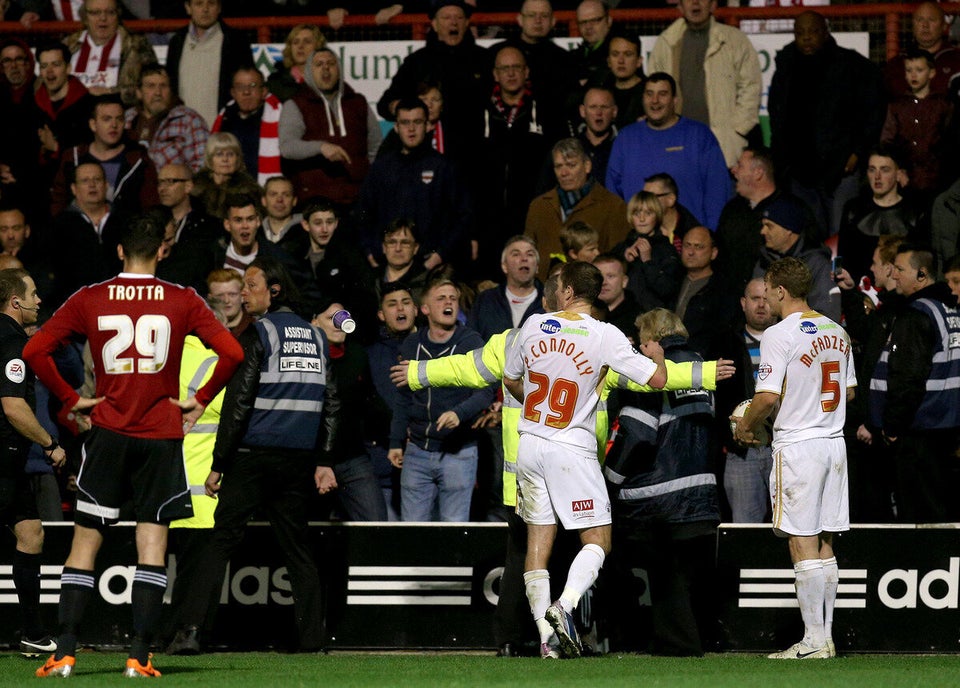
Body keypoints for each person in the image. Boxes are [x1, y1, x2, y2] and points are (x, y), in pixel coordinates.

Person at [26, 212, 243, 678]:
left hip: (107, 431)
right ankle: (139, 656)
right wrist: (199, 401)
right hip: (161, 436)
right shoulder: (182, 299)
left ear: (119, 250)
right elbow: (234, 353)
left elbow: (34, 351)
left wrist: (71, 400)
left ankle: (64, 652)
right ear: (163, 249)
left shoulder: (91, 297)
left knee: (86, 541)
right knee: (152, 541)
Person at [167, 257, 339, 653]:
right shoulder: (316, 338)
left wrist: (219, 464)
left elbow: (238, 405)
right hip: (297, 459)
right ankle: (313, 639)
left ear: (273, 290)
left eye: (251, 285)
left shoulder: (258, 334)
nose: (243, 293)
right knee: (297, 549)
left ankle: (190, 630)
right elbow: (332, 403)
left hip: (252, 456)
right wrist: (324, 458)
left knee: (220, 542)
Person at [502, 260, 667, 659]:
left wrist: (537, 409)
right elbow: (656, 380)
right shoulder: (605, 334)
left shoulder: (533, 325)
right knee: (598, 540)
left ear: (568, 291)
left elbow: (509, 378)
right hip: (571, 448)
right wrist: (657, 355)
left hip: (530, 445)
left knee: (537, 544)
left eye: (559, 285)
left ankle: (547, 641)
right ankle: (565, 606)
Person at [733, 257, 855, 660]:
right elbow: (849, 391)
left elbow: (766, 398)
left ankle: (813, 641)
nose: (766, 299)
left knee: (801, 542)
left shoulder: (779, 334)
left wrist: (745, 425)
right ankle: (827, 638)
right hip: (834, 443)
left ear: (781, 291)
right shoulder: (836, 329)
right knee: (825, 542)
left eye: (768, 291)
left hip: (800, 445)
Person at [604, 307, 720, 656]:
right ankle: (697, 639)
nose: (638, 349)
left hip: (656, 494)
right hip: (701, 490)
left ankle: (662, 642)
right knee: (689, 575)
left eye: (641, 342)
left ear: (653, 340)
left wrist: (609, 479)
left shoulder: (651, 372)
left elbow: (637, 434)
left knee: (646, 568)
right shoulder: (699, 368)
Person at [388, 274, 494, 522]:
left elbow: (486, 391)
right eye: (441, 298)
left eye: (453, 298)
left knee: (453, 531)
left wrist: (459, 413)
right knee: (413, 533)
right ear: (424, 308)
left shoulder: (471, 341)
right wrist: (395, 441)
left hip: (459, 452)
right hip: (416, 450)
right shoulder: (411, 344)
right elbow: (402, 398)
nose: (449, 302)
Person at [767, 11, 883, 236]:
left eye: (813, 31)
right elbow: (777, 118)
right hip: (799, 172)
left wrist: (858, 152)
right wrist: (783, 164)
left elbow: (873, 113)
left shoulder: (852, 66)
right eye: (800, 33)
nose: (807, 37)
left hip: (841, 169)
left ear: (826, 32)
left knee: (841, 236)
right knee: (811, 236)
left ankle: (840, 273)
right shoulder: (785, 68)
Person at [869, 244, 960, 523]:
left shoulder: (917, 315)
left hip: (920, 435)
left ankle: (926, 567)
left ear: (922, 275)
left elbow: (908, 378)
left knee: (920, 517)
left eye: (899, 269)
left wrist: (893, 426)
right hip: (945, 431)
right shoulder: (948, 310)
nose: (893, 275)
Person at [0, 269, 65, 658]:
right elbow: (13, 408)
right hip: (3, 459)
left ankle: (33, 633)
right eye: (34, 293)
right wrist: (50, 444)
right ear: (15, 302)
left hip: (8, 463)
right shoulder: (11, 344)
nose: (39, 301)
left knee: (31, 533)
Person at [606, 72, 731, 231]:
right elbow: (613, 195)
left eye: (662, 94)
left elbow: (717, 191)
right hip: (639, 242)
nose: (655, 101)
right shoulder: (625, 138)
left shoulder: (699, 135)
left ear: (675, 101)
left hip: (688, 242)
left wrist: (709, 236)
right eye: (649, 94)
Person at [357, 97, 471, 271]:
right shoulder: (381, 168)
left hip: (430, 266)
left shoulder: (444, 168)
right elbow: (363, 214)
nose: (411, 129)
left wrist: (438, 256)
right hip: (387, 266)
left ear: (428, 125)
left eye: (417, 122)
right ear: (396, 127)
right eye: (405, 122)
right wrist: (370, 253)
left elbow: (462, 217)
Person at [647, 0, 762, 168]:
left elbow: (751, 87)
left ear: (713, 5)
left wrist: (737, 130)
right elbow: (654, 89)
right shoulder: (666, 42)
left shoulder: (734, 40)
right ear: (680, 5)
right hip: (678, 142)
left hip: (722, 145)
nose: (695, 3)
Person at [279, 48, 381, 207]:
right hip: (315, 203)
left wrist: (374, 184)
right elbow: (287, 147)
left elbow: (376, 148)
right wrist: (321, 147)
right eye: (319, 64)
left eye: (331, 64)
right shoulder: (296, 104)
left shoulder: (358, 103)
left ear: (339, 70)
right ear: (308, 72)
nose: (325, 68)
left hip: (358, 199)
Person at [526, 137, 629, 281]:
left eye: (571, 165)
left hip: (592, 294)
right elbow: (528, 254)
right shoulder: (539, 206)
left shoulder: (613, 206)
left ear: (587, 166)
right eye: (558, 166)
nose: (564, 172)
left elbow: (618, 261)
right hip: (546, 295)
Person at [717, 277, 777, 523]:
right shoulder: (725, 343)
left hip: (781, 448)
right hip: (741, 452)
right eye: (755, 299)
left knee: (790, 527)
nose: (761, 305)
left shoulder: (788, 341)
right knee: (745, 528)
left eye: (766, 298)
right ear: (743, 303)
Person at [50, 94, 159, 218]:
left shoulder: (138, 161)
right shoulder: (73, 158)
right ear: (93, 124)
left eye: (119, 119)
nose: (114, 125)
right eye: (107, 119)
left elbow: (150, 207)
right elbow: (59, 201)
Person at [164, 0, 254, 128]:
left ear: (219, 8)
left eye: (211, 3)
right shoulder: (177, 42)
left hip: (224, 132)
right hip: (183, 132)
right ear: (188, 8)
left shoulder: (236, 41)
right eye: (199, 3)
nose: (205, 9)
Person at [754, 194, 839, 322]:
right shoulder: (764, 261)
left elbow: (827, 314)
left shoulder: (817, 265)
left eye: (769, 226)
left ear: (788, 229)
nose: (763, 231)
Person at [880, 49, 953, 195]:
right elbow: (887, 142)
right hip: (905, 178)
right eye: (909, 70)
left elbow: (950, 140)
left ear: (931, 73)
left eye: (919, 70)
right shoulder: (897, 106)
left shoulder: (943, 105)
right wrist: (897, 168)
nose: (913, 75)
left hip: (938, 179)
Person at [63, 0, 157, 106]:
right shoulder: (67, 45)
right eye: (95, 13)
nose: (103, 18)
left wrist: (110, 93)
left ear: (118, 15)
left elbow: (151, 90)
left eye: (110, 12)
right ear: (85, 18)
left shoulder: (136, 45)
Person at [124, 63, 209, 173]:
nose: (158, 93)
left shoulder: (190, 120)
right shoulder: (126, 118)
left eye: (163, 86)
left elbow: (203, 164)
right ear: (139, 92)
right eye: (151, 86)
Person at [211, 66, 283, 186]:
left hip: (263, 190)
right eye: (240, 87)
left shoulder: (279, 116)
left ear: (264, 91)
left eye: (253, 86)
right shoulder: (225, 118)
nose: (246, 92)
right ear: (233, 93)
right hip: (229, 189)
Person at [468, 235, 544, 342]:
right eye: (516, 254)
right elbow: (471, 340)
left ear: (537, 267)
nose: (524, 258)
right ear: (504, 266)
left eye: (530, 254)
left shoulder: (550, 302)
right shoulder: (485, 300)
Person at [617, 189, 682, 312]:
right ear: (630, 217)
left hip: (654, 319)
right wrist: (623, 261)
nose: (642, 219)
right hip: (625, 317)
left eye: (648, 213)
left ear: (656, 215)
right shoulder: (622, 248)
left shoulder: (667, 250)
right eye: (637, 213)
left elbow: (668, 290)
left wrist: (648, 261)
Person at [189, 132, 261, 220]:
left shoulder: (249, 190)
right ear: (210, 158)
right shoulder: (194, 188)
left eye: (230, 154)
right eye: (219, 154)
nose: (225, 159)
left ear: (238, 158)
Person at [266, 23, 325, 103]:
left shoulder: (327, 80)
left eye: (307, 42)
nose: (300, 46)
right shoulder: (276, 82)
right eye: (296, 42)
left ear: (318, 46)